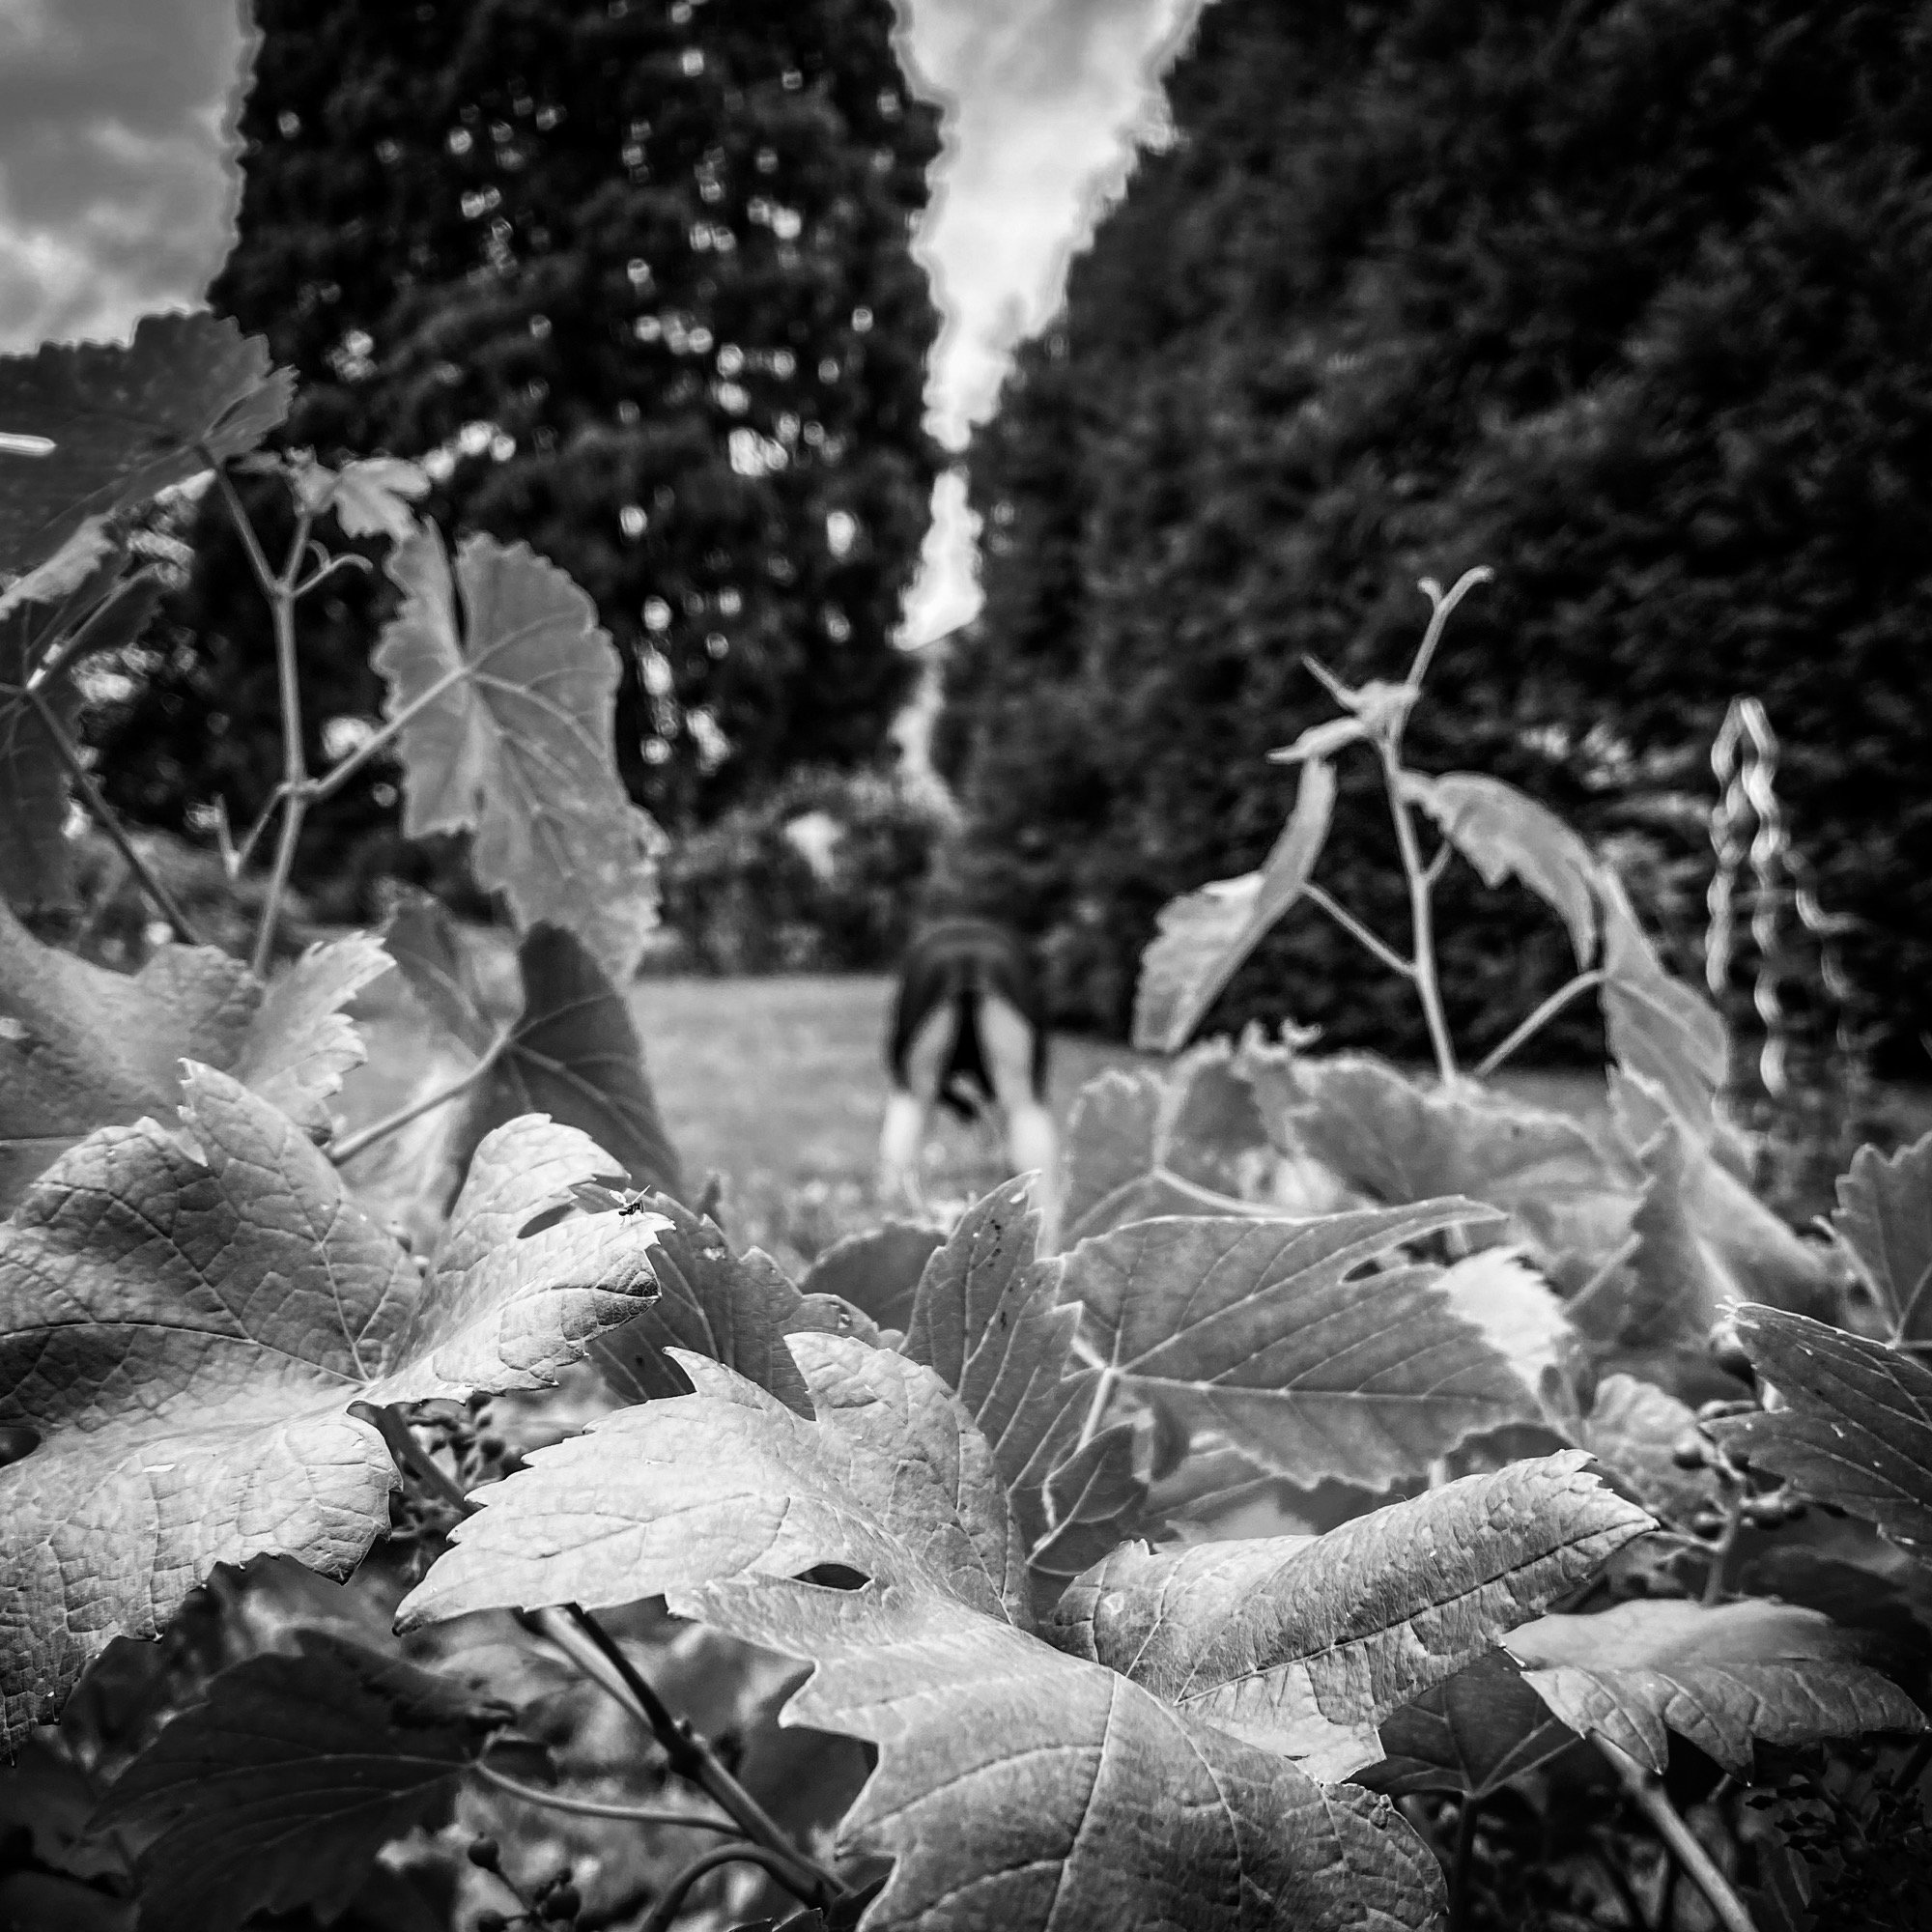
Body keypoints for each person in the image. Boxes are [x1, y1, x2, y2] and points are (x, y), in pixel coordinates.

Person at [878, 916, 1060, 1246]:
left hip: (929, 967)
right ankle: (1046, 1249)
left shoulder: (926, 953)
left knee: (912, 1099)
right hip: (1002, 965)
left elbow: (906, 1085)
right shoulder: (1007, 954)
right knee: (1023, 1103)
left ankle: (895, 1237)